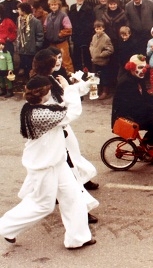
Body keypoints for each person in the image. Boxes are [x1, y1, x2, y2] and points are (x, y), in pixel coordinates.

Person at [0, 75, 95, 249]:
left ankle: (77, 238)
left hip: (56, 162)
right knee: (43, 205)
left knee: (74, 197)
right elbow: (72, 112)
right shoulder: (40, 114)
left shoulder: (37, 107)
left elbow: (60, 107)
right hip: (43, 166)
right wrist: (69, 89)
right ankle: (5, 227)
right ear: (45, 93)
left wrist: (77, 87)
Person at [31, 48, 101, 196]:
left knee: (72, 157)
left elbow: (64, 94)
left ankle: (75, 185)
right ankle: (73, 195)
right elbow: (67, 108)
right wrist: (70, 88)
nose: (58, 61)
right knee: (64, 164)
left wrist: (86, 85)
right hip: (54, 131)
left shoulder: (50, 78)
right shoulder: (43, 84)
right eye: (54, 60)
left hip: (60, 129)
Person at [112, 54, 153, 163]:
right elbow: (136, 104)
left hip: (134, 111)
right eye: (140, 68)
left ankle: (147, 145)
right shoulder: (126, 82)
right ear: (131, 67)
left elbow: (144, 96)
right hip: (126, 115)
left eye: (144, 67)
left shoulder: (137, 78)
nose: (143, 70)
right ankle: (150, 146)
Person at [44, 0, 74, 73]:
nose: (53, 6)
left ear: (59, 5)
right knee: (53, 62)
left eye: (55, 4)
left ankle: (71, 79)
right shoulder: (48, 16)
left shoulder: (63, 15)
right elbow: (45, 27)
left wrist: (59, 35)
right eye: (52, 5)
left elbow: (68, 29)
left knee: (66, 61)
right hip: (51, 44)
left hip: (62, 43)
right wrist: (48, 35)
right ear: (50, 6)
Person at [69, 0, 95, 72]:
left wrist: (87, 34)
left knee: (86, 56)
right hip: (76, 36)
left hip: (85, 36)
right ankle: (78, 72)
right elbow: (71, 20)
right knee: (77, 56)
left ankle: (88, 72)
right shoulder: (72, 7)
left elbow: (91, 23)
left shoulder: (88, 9)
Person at [16, 2, 44, 79]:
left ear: (24, 10)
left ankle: (32, 80)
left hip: (31, 49)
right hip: (22, 49)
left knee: (31, 66)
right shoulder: (19, 20)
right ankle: (26, 81)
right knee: (24, 65)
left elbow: (40, 35)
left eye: (19, 9)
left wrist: (37, 46)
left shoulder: (35, 21)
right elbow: (18, 33)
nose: (18, 11)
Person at [89, 20, 114, 100]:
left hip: (103, 62)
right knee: (96, 77)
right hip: (95, 61)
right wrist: (92, 51)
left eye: (100, 28)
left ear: (103, 28)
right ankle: (97, 91)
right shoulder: (94, 36)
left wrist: (101, 55)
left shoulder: (106, 38)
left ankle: (105, 92)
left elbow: (110, 49)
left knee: (104, 77)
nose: (98, 30)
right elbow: (91, 45)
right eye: (96, 29)